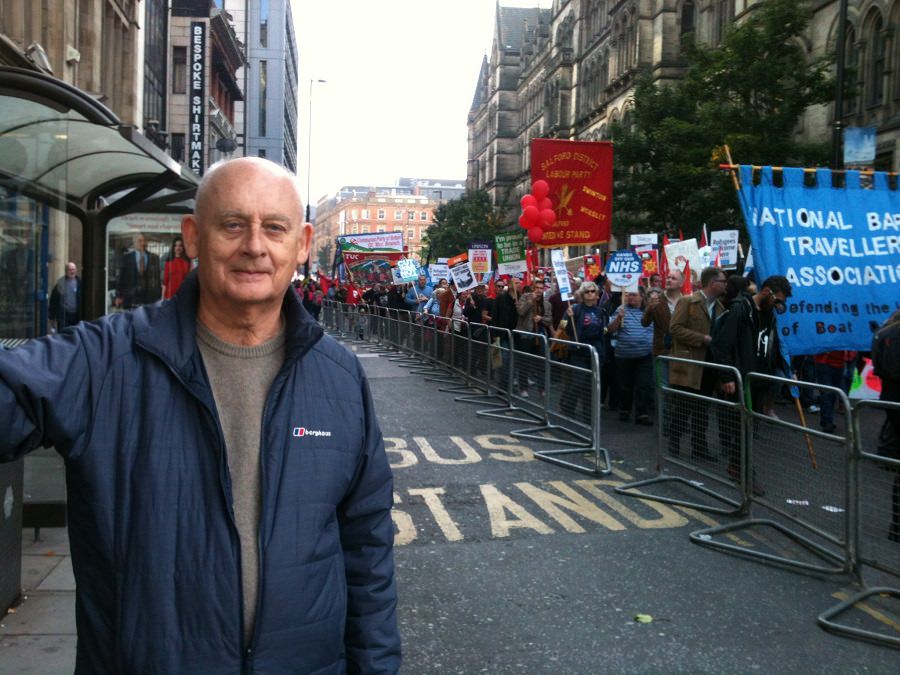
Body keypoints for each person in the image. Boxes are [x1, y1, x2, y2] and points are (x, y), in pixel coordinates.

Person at [0, 157, 400, 673]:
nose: (254, 246)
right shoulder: (107, 360)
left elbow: (367, 554)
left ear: (301, 244)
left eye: (273, 228)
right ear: (193, 237)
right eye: (232, 224)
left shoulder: (340, 377)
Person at [711, 274, 792, 484]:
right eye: (779, 300)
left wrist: (785, 368)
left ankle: (737, 466)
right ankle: (743, 470)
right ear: (767, 292)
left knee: (749, 427)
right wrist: (727, 375)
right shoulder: (741, 309)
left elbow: (770, 345)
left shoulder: (769, 314)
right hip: (741, 379)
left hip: (758, 380)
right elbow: (722, 344)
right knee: (742, 427)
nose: (779, 305)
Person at [666, 266, 727, 459]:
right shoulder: (688, 301)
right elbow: (674, 328)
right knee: (683, 408)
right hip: (689, 364)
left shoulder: (720, 307)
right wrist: (701, 338)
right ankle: (673, 444)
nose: (726, 285)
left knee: (702, 410)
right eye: (723, 281)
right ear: (713, 283)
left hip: (708, 366)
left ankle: (699, 447)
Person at [871, 309, 900, 541]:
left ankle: (897, 525)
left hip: (890, 395)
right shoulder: (890, 333)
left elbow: (879, 367)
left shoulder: (884, 332)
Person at [561, 281, 608, 422]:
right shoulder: (575, 309)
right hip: (579, 350)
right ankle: (568, 406)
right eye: (587, 291)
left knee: (591, 383)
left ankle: (588, 413)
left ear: (597, 295)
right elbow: (564, 328)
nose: (590, 294)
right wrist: (570, 319)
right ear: (582, 294)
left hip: (595, 351)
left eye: (593, 291)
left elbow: (604, 330)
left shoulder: (601, 312)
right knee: (578, 381)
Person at [607, 289, 654, 424]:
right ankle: (625, 409)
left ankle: (641, 413)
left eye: (634, 295)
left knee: (643, 384)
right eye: (628, 295)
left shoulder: (649, 311)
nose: (630, 297)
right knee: (625, 385)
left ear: (642, 297)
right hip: (624, 354)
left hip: (645, 354)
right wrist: (618, 318)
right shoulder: (620, 309)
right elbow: (610, 329)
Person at [515, 278, 552, 398]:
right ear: (533, 288)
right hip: (526, 334)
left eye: (541, 288)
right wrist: (531, 300)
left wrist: (541, 319)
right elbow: (520, 311)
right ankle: (523, 387)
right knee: (524, 363)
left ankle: (542, 389)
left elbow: (549, 320)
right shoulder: (525, 297)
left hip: (540, 335)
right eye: (537, 288)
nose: (539, 291)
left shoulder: (546, 303)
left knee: (541, 364)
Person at [115, 232, 162, 308]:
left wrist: (159, 297)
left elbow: (157, 278)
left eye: (144, 241)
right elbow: (121, 278)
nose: (142, 243)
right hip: (131, 297)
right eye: (139, 241)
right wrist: (119, 296)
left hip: (149, 298)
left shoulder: (154, 257)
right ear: (134, 242)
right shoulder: (126, 258)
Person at [48, 261, 82, 331]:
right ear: (66, 271)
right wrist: (51, 316)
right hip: (63, 316)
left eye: (73, 269)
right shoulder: (61, 283)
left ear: (76, 270)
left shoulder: (80, 283)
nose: (72, 271)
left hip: (77, 316)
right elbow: (54, 300)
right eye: (70, 270)